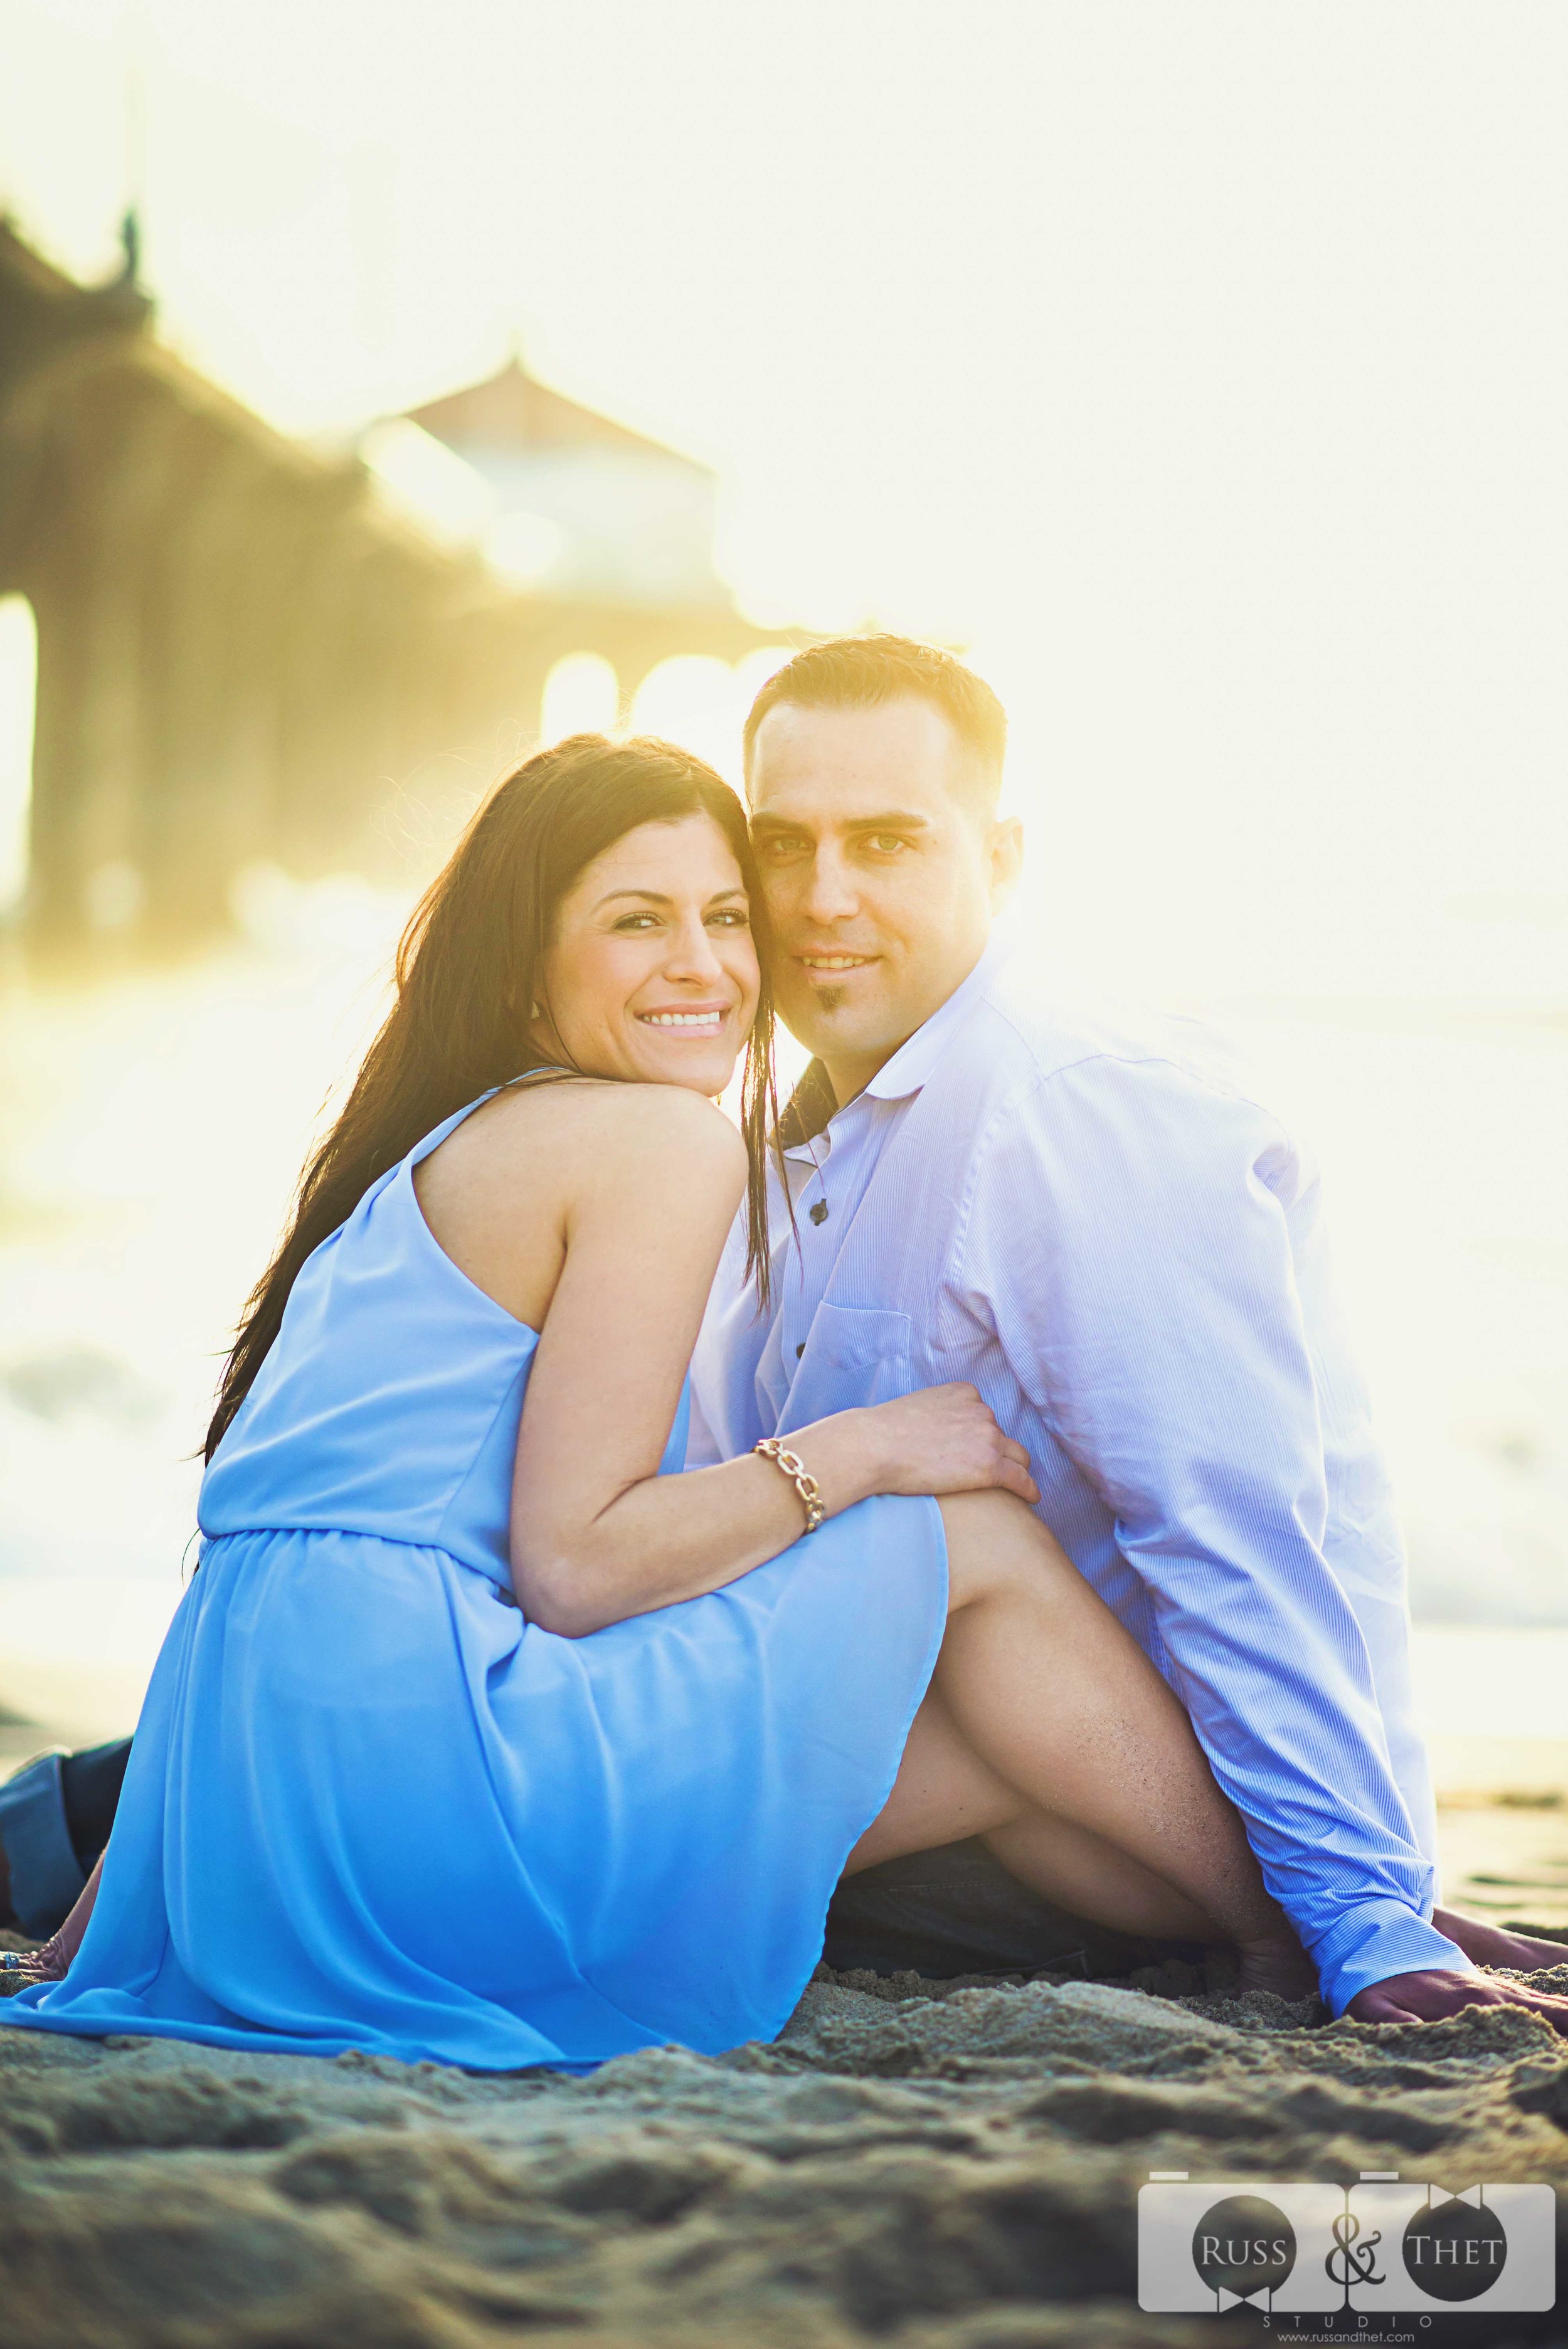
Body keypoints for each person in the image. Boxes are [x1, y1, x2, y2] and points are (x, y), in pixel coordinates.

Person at [1, 733, 1307, 2067]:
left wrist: (124, 1912)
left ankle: (1290, 1922)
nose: (704, 965)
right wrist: (861, 1448)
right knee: (970, 1540)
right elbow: (573, 1568)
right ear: (525, 967)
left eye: (726, 918)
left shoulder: (428, 1162)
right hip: (431, 1798)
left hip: (273, 1827)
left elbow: (251, 1575)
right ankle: (1299, 1933)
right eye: (638, 922)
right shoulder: (650, 1138)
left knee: (976, 1738)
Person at [691, 634, 1568, 2034]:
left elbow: (1234, 1529)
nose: (820, 896)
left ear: (1004, 857)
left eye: (885, 840)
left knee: (560, 1857)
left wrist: (1356, 1917)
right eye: (781, 843)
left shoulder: (1070, 1105)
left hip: (1101, 1823)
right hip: (949, 1770)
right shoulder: (797, 1131)